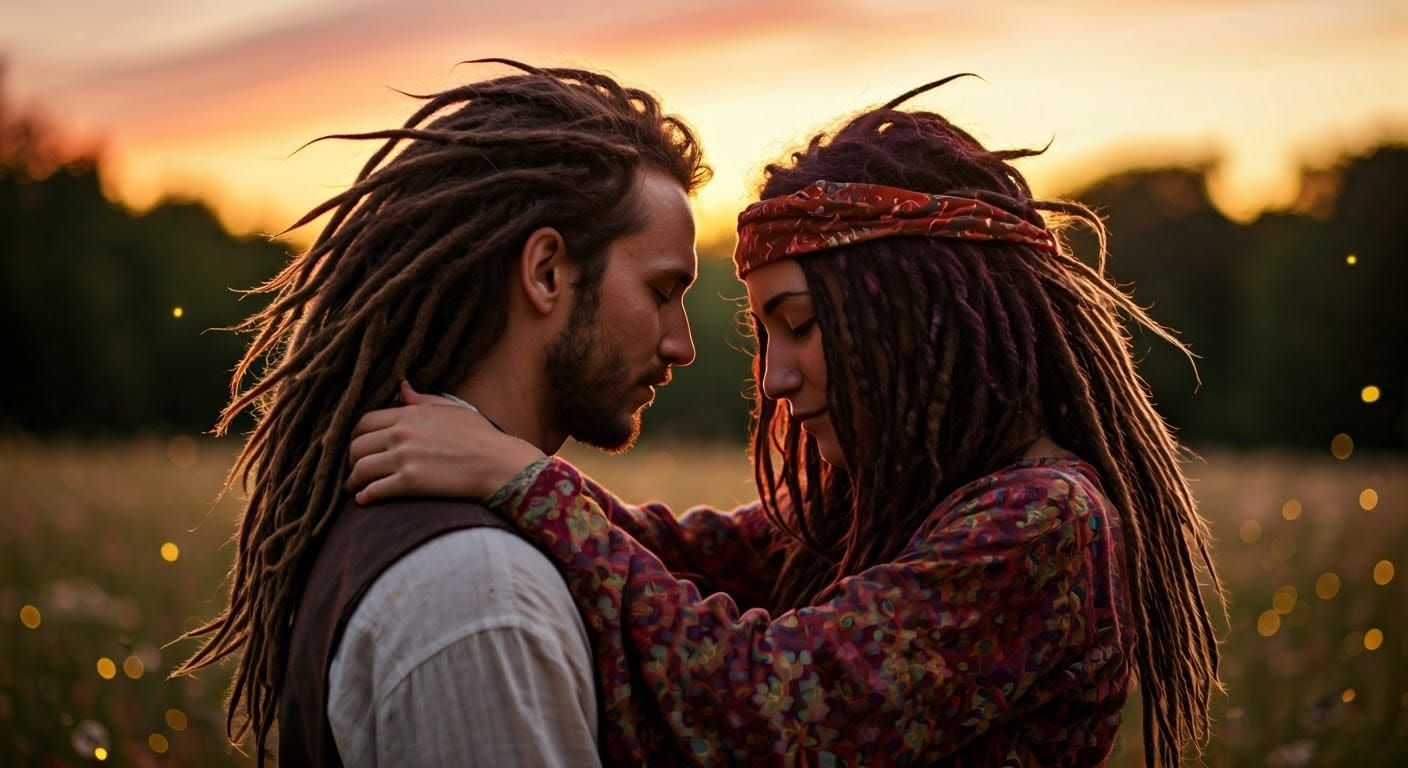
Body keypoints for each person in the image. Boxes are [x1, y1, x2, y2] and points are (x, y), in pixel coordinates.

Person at [349, 77, 1223, 767]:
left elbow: (768, 708)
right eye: (766, 333)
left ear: (915, 314)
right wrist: (493, 464)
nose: (773, 378)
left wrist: (523, 480)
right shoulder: (894, 505)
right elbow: (673, 557)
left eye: (800, 325)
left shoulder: (1043, 523)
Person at [173, 61, 710, 767]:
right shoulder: (480, 596)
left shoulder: (430, 541)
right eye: (662, 290)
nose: (683, 344)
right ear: (547, 272)